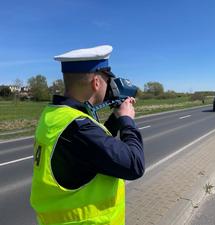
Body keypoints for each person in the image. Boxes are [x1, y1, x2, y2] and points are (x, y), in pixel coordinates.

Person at [30, 45, 145, 225]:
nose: (109, 85)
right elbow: (134, 164)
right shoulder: (78, 128)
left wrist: (115, 118)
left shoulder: (55, 115)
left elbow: (94, 149)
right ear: (96, 82)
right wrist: (127, 121)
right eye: (108, 79)